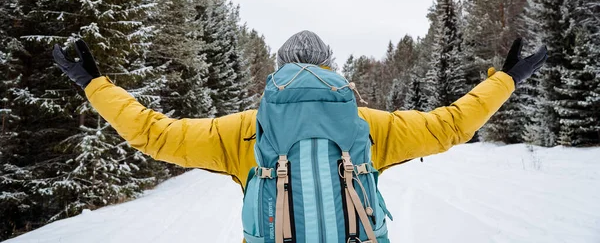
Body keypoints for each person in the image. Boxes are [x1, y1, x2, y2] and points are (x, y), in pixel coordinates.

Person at [53, 31, 546, 243]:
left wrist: (94, 84)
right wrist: (504, 79)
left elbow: (153, 134)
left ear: (278, 72)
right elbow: (450, 125)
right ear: (331, 67)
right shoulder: (367, 126)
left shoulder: (245, 130)